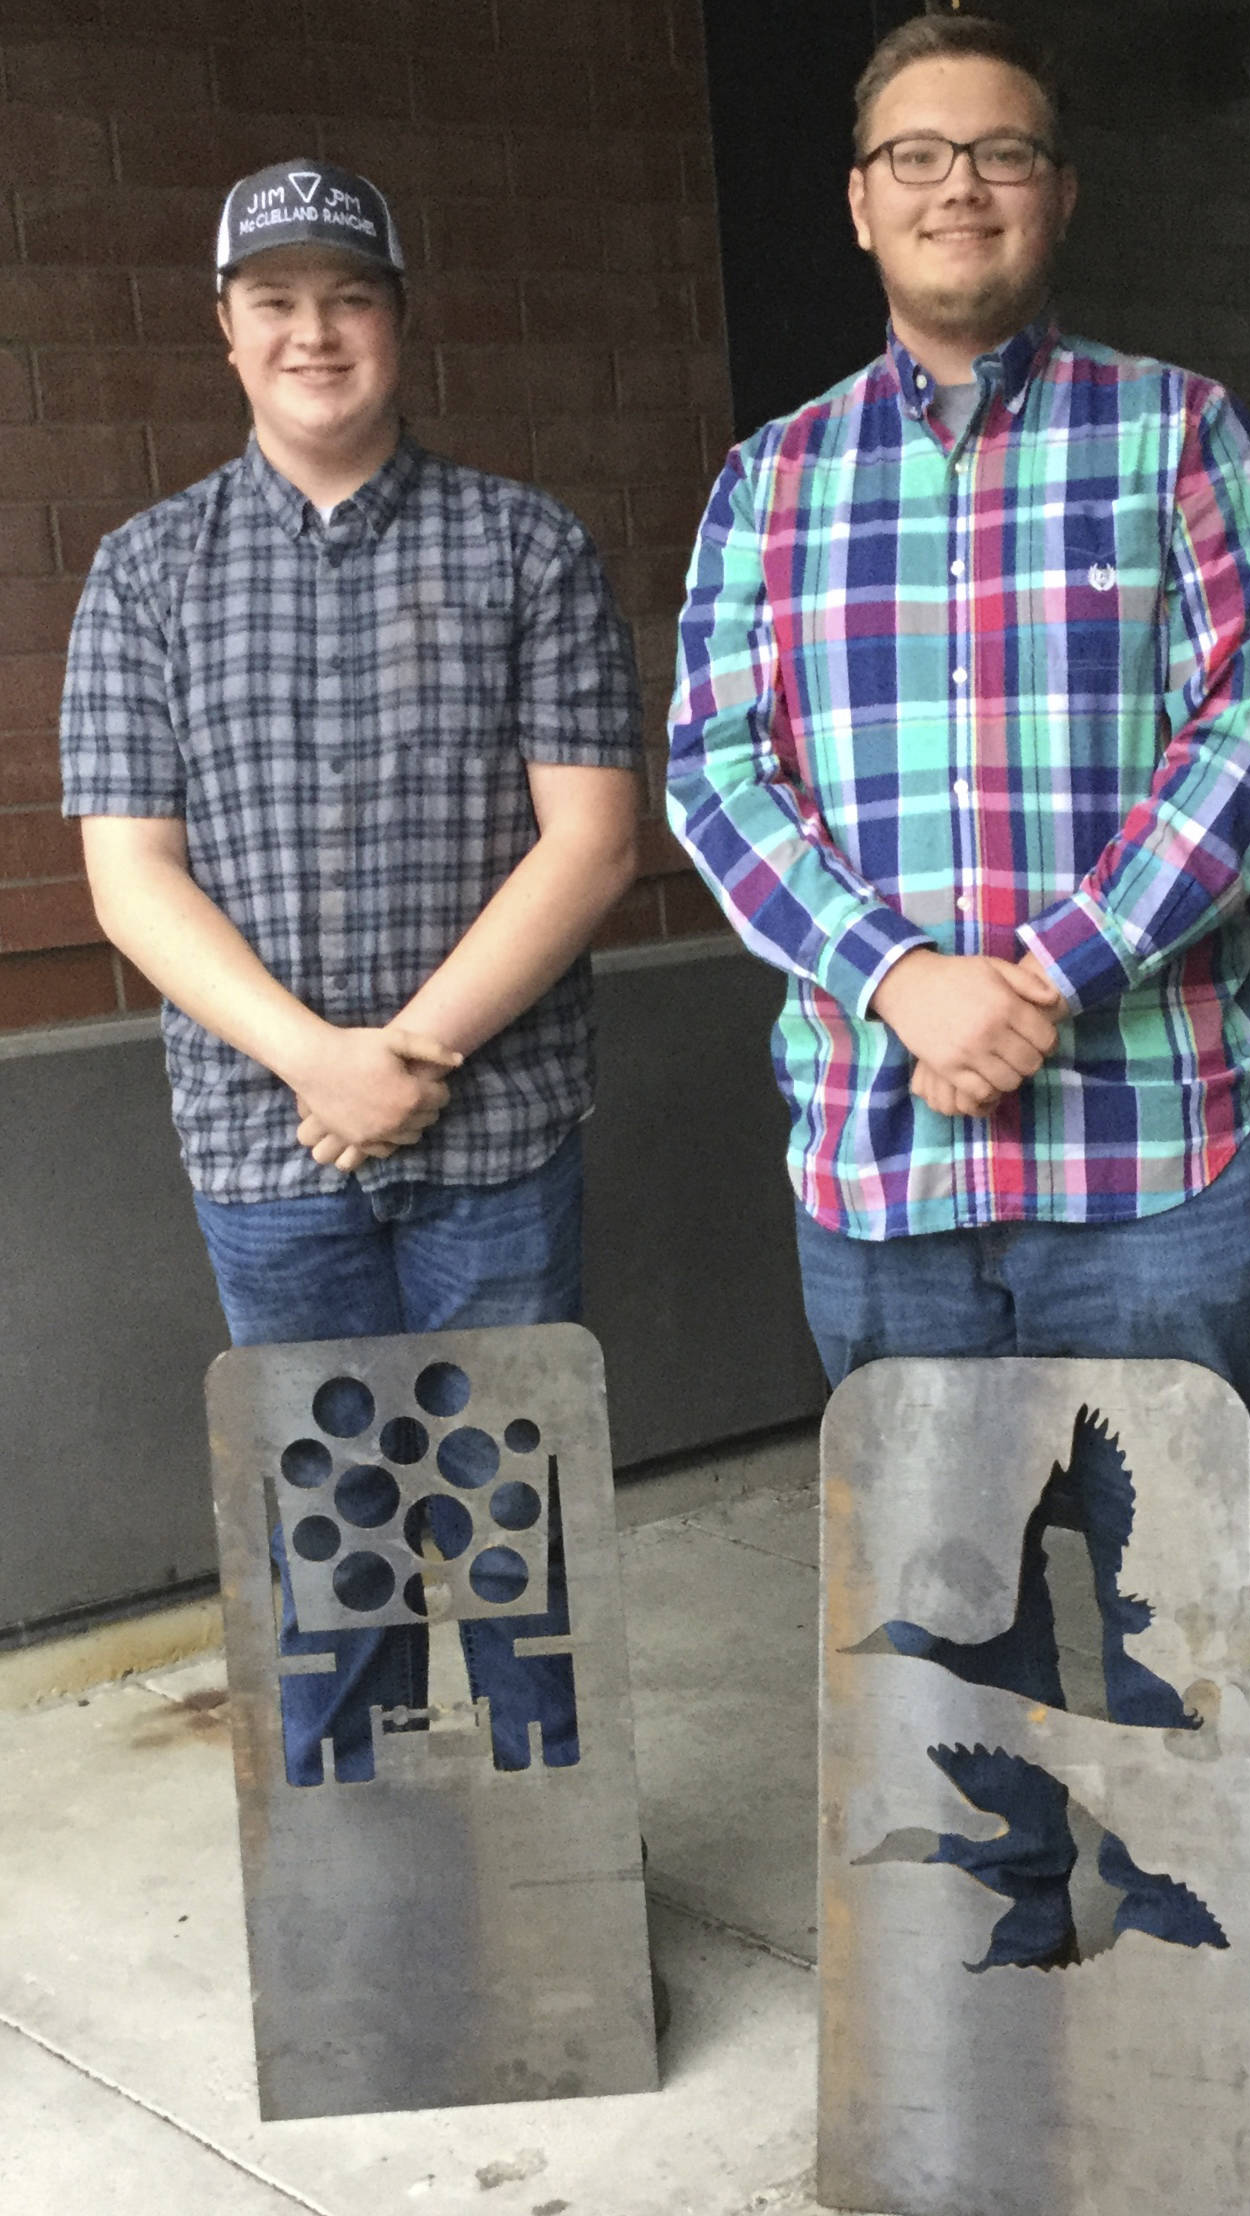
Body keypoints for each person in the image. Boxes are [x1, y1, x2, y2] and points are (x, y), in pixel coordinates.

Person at [666, 12, 1250, 2145]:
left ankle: (1185, 2023)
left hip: (1145, 1147)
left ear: (1055, 194)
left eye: (1002, 155)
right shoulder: (765, 484)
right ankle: (986, 2014)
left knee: (1160, 1610)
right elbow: (715, 775)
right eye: (916, 156)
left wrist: (1030, 970)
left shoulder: (1178, 435)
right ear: (855, 201)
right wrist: (897, 981)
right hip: (877, 1155)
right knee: (932, 1620)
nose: (959, 187)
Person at [60, 160, 644, 1794]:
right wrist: (316, 1060)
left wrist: (413, 1053)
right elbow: (131, 872)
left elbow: (591, 842)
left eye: (350, 295)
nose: (315, 330)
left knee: (515, 1535)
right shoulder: (143, 573)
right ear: (227, 335)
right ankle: (360, 1926)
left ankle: (556, 1902)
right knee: (324, 1554)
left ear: (398, 318)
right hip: (268, 1154)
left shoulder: (524, 544)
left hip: (499, 1137)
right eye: (276, 301)